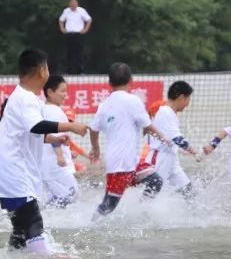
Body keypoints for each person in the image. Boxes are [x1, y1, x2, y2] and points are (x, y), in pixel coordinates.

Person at [0, 49, 89, 254]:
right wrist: (70, 126)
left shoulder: (21, 96)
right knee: (34, 222)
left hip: (7, 172)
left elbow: (27, 132)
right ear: (42, 71)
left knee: (20, 229)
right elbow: (36, 126)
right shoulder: (26, 98)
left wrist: (52, 138)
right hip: (15, 173)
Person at [89, 62, 171, 218]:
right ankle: (90, 224)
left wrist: (95, 148)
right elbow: (147, 125)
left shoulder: (104, 105)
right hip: (121, 164)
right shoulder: (133, 100)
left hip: (129, 161)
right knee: (109, 205)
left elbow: (93, 129)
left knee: (155, 181)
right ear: (131, 80)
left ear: (109, 82)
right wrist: (164, 138)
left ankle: (142, 212)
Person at [147, 81, 200, 198]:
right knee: (151, 196)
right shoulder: (165, 112)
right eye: (188, 99)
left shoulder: (170, 113)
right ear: (181, 97)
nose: (188, 104)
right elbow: (177, 139)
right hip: (160, 159)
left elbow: (170, 140)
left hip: (172, 160)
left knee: (189, 192)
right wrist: (194, 150)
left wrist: (184, 151)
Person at [40, 75, 81, 208]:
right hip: (55, 165)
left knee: (56, 198)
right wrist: (60, 155)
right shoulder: (54, 111)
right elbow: (53, 135)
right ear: (50, 92)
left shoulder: (43, 109)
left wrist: (67, 153)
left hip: (47, 165)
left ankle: (46, 217)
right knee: (72, 194)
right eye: (62, 91)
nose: (65, 95)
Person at [58, 0, 93, 74]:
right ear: (69, 4)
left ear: (77, 4)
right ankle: (69, 71)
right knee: (69, 53)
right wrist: (62, 29)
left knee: (80, 53)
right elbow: (61, 20)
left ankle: (80, 71)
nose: (73, 5)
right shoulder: (66, 11)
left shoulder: (81, 11)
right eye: (72, 4)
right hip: (69, 34)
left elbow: (89, 20)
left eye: (74, 3)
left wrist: (85, 29)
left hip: (78, 34)